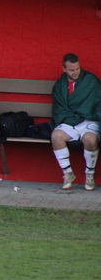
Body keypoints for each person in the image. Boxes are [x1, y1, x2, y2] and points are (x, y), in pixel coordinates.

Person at [50, 53, 101, 191]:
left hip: (89, 120)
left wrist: (85, 114)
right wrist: (71, 118)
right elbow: (59, 108)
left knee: (90, 139)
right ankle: (67, 173)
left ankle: (90, 174)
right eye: (72, 70)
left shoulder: (91, 81)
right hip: (70, 121)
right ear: (64, 69)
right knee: (56, 136)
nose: (75, 72)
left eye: (77, 68)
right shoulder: (60, 85)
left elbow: (98, 103)